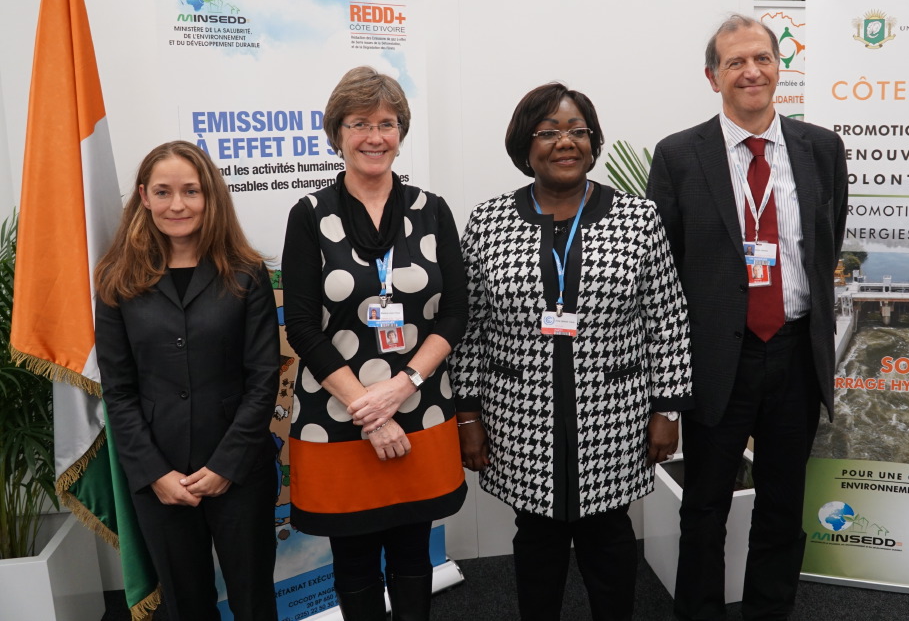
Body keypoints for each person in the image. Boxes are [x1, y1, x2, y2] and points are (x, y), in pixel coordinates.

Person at [452, 82, 693, 621]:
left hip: (614, 414)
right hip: (520, 417)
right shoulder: (489, 222)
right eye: (549, 131)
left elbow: (668, 318)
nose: (566, 142)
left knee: (610, 534)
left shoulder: (638, 218)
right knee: (535, 534)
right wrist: (467, 417)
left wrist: (667, 408)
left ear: (593, 141)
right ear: (525, 145)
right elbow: (469, 328)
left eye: (577, 131)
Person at [646, 14, 848, 621]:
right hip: (716, 360)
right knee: (704, 502)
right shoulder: (680, 155)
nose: (751, 71)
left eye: (761, 58)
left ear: (779, 68)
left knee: (784, 500)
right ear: (713, 77)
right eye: (735, 62)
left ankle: (768, 610)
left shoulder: (822, 149)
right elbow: (664, 268)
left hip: (794, 353)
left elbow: (825, 244)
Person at [282, 66, 468, 621]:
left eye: (387, 123)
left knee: (413, 552)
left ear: (401, 132)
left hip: (421, 409)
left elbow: (454, 315)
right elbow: (301, 325)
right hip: (336, 417)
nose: (374, 137)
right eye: (359, 123)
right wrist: (369, 408)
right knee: (354, 557)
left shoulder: (432, 210)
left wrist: (401, 388)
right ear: (337, 132)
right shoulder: (310, 216)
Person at [95, 140, 279, 621]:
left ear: (210, 196)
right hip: (161, 475)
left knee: (254, 600)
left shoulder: (247, 273)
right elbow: (117, 388)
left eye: (191, 191)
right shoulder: (118, 279)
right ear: (143, 196)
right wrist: (155, 473)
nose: (177, 204)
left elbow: (264, 378)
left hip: (239, 471)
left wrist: (226, 465)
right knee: (184, 607)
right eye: (163, 191)